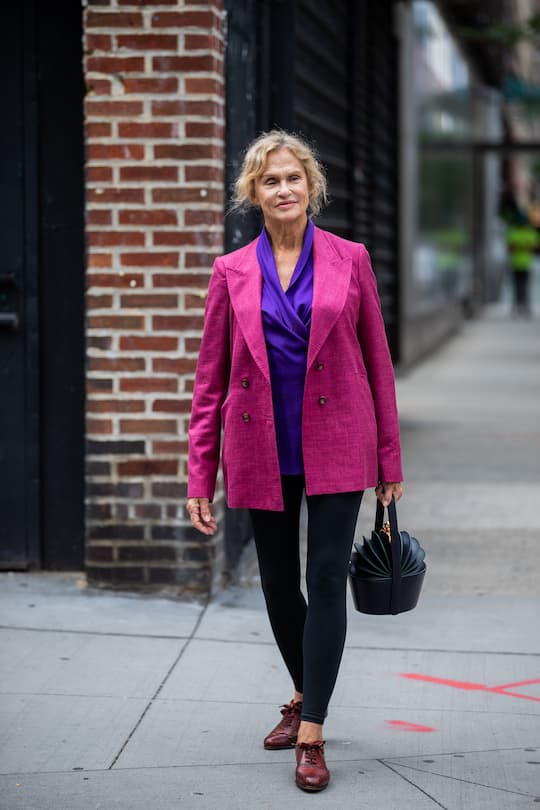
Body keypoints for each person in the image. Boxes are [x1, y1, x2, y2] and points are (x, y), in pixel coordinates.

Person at [186, 130, 403, 792]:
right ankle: (303, 692)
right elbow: (210, 380)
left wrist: (390, 461)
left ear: (312, 187)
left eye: (293, 178)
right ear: (253, 193)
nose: (284, 189)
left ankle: (312, 731)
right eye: (270, 180)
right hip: (259, 443)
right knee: (280, 583)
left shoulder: (351, 259)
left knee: (328, 573)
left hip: (338, 439)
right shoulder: (232, 272)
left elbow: (378, 363)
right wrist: (200, 473)